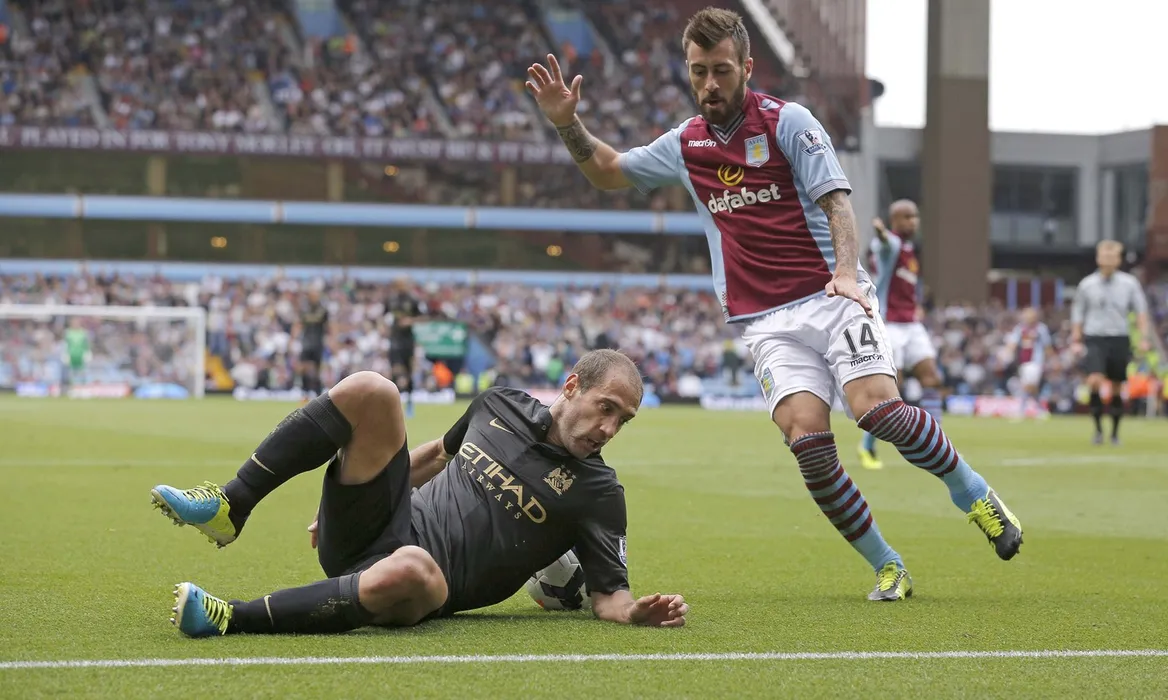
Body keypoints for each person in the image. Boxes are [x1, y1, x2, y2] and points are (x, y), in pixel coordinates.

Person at [525, 6, 1022, 602]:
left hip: (831, 294)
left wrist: (846, 273)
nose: (710, 84)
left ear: (747, 67)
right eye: (699, 72)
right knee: (808, 443)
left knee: (877, 412)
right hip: (765, 321)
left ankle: (973, 494)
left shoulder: (789, 122)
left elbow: (837, 201)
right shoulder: (685, 144)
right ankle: (887, 565)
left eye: (722, 70)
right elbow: (607, 171)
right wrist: (567, 124)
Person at [150, 349, 687, 636]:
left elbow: (610, 596)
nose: (609, 428)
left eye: (623, 420)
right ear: (571, 387)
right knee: (373, 389)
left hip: (420, 586)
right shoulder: (498, 404)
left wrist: (633, 612)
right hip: (373, 530)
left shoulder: (599, 492)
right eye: (605, 408)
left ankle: (230, 617)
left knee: (412, 565)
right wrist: (353, 502)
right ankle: (231, 504)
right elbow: (434, 456)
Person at [856, 200, 944, 469]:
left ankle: (938, 444)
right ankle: (867, 446)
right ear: (894, 220)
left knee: (932, 378)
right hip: (889, 323)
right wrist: (881, 232)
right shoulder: (891, 244)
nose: (913, 221)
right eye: (907, 217)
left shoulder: (909, 249)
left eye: (915, 216)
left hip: (911, 324)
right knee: (892, 388)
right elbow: (883, 245)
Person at [1070, 240, 1150, 444]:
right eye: (1104, 256)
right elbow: (1078, 313)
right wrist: (1076, 339)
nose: (1107, 260)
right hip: (1095, 337)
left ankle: (1114, 433)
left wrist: (1143, 338)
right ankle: (1098, 430)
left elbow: (1140, 312)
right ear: (1098, 258)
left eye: (1112, 256)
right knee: (1094, 380)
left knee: (1116, 386)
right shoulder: (1087, 284)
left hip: (1119, 337)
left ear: (1118, 259)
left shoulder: (1129, 283)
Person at [1004, 307, 1053, 420]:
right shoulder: (1020, 328)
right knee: (1029, 387)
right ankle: (1040, 410)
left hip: (1036, 361)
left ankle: (1023, 410)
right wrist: (1007, 353)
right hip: (1023, 362)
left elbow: (1047, 345)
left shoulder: (1041, 329)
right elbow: (1013, 343)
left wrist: (1051, 360)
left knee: (1029, 386)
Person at [387, 279, 422, 417]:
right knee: (396, 370)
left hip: (408, 340)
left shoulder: (413, 300)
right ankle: (393, 403)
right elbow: (384, 314)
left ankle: (410, 402)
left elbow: (422, 317)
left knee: (408, 372)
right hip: (394, 340)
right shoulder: (391, 299)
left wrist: (410, 321)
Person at [298, 288, 328, 396]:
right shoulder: (305, 309)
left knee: (317, 369)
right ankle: (305, 391)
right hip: (306, 341)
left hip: (317, 342)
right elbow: (300, 322)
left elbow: (327, 324)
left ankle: (317, 392)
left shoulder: (322, 310)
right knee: (303, 367)